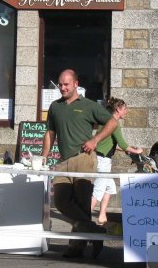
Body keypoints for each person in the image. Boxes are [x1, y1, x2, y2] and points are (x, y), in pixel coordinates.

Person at [42, 69, 118, 258]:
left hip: (84, 158)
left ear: (76, 84)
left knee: (82, 204)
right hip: (63, 161)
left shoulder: (88, 105)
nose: (62, 88)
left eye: (66, 84)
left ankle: (76, 247)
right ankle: (96, 231)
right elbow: (50, 133)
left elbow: (112, 122)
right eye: (60, 84)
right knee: (60, 201)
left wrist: (95, 140)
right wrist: (44, 155)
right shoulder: (55, 106)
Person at [91, 97, 143, 225]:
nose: (126, 112)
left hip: (100, 158)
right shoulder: (114, 123)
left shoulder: (107, 121)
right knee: (98, 191)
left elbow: (114, 143)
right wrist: (137, 151)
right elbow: (123, 144)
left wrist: (127, 150)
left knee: (110, 188)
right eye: (125, 109)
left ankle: (102, 216)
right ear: (118, 109)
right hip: (102, 160)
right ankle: (83, 219)